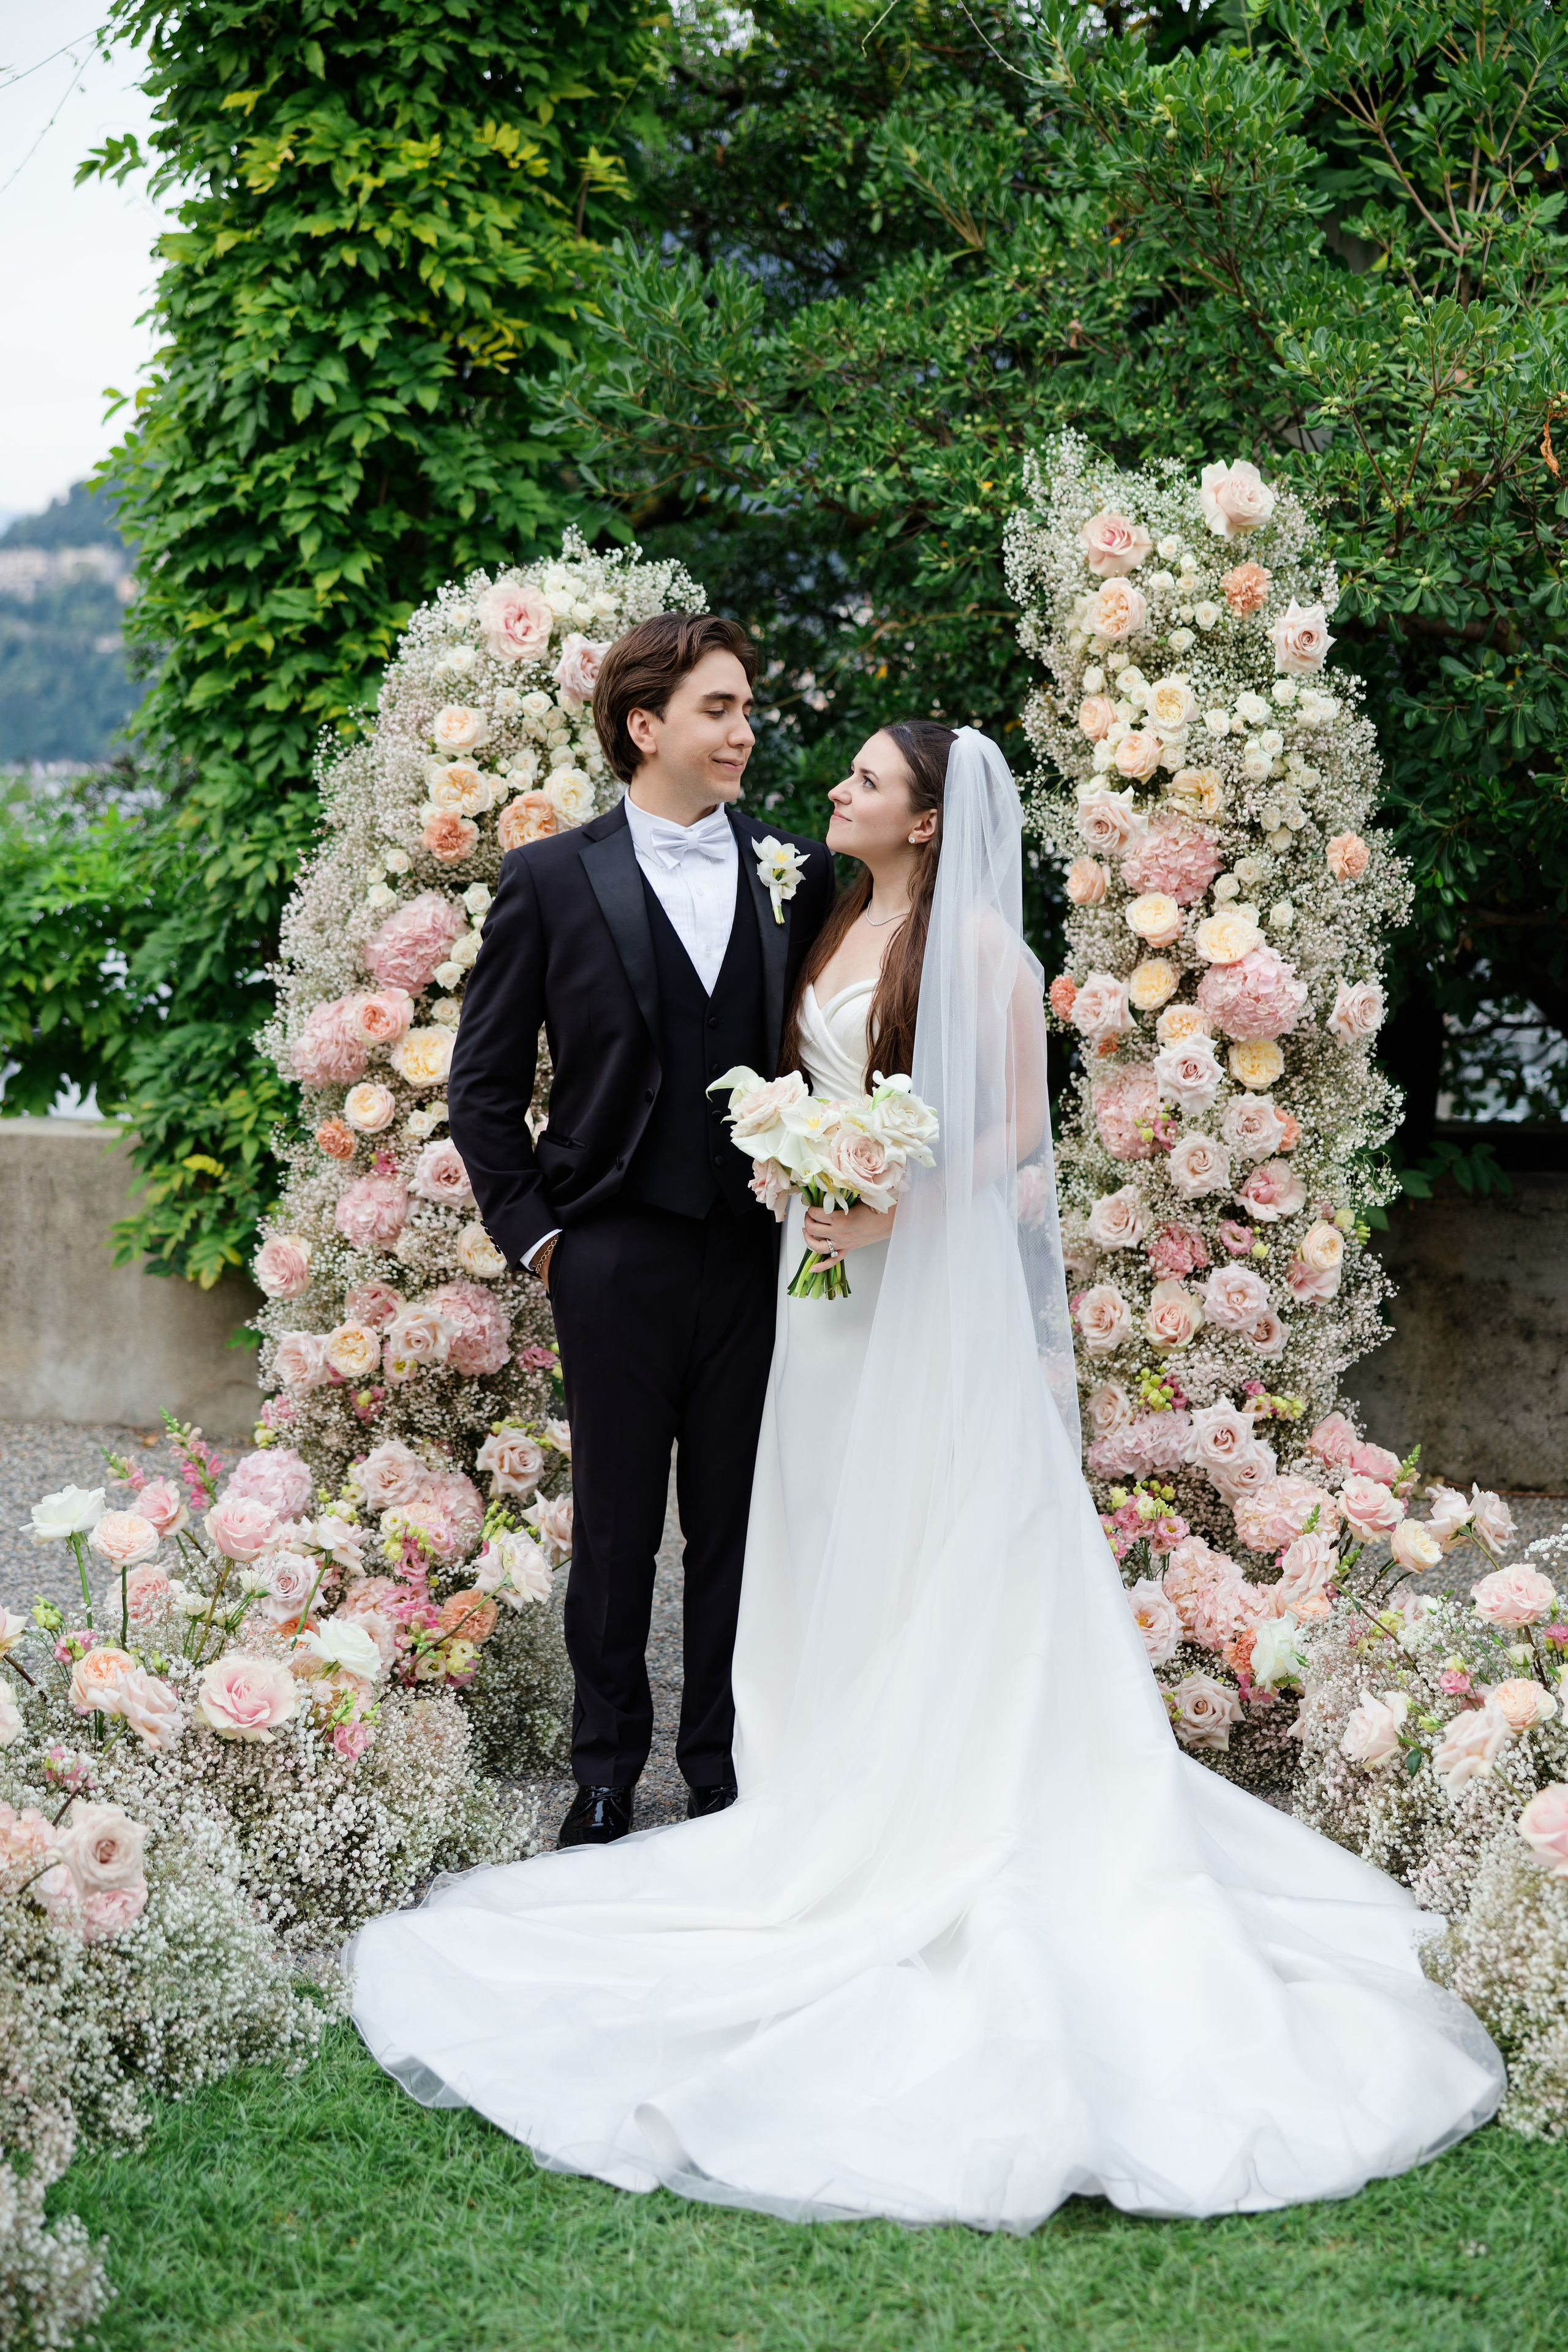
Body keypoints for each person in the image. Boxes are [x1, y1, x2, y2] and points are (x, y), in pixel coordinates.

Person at [354, 725, 1502, 2230]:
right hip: (806, 1296)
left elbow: (1015, 1128)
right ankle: (793, 1769)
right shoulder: (818, 915)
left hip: (904, 1289)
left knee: (930, 1529)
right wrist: (787, 1166)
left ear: (924, 820)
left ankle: (912, 1790)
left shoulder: (977, 953)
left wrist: (893, 1204)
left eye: (863, 785)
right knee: (812, 1530)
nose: (830, 792)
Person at [447, 612, 833, 1847]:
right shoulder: (550, 878)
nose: (744, 730)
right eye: (719, 709)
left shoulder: (795, 868)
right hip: (608, 1248)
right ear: (644, 725)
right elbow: (481, 1084)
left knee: (739, 1524)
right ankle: (605, 1772)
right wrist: (540, 1238)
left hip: (759, 1250)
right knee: (615, 1528)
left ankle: (723, 1766)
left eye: (746, 708)